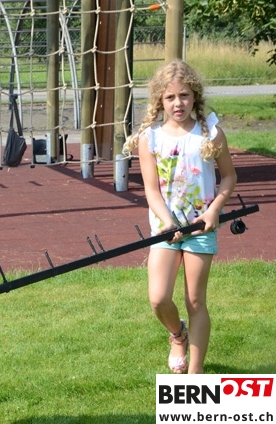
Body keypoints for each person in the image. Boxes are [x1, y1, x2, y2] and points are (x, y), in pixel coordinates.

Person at [123, 60, 237, 374]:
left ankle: (195, 375)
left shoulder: (210, 133)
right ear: (160, 100)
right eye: (171, 97)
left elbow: (229, 177)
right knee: (158, 298)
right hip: (165, 229)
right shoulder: (150, 137)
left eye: (184, 95)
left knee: (195, 301)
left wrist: (214, 210)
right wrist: (168, 223)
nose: (178, 103)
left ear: (194, 96)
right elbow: (151, 189)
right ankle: (178, 334)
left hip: (201, 229)